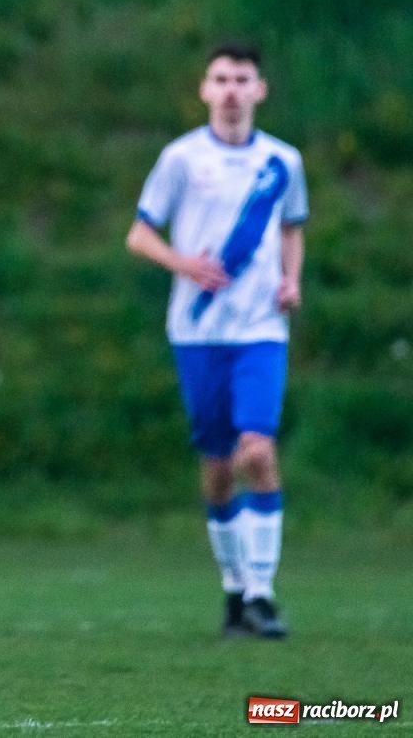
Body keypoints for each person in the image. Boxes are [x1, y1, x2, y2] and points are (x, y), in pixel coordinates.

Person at [126, 43, 307, 639]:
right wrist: (184, 263)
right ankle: (234, 591)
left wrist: (290, 281)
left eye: (242, 79)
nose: (231, 89)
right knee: (218, 467)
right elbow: (139, 235)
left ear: (260, 90)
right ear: (205, 89)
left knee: (257, 450)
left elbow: (292, 227)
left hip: (259, 330)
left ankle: (261, 592)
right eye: (221, 79)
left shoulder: (283, 162)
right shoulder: (181, 159)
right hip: (198, 331)